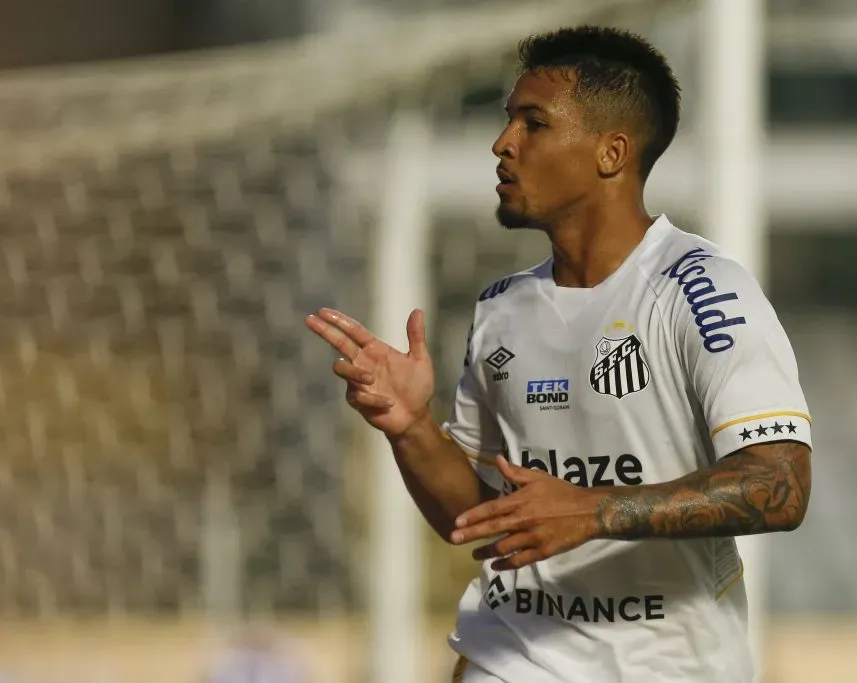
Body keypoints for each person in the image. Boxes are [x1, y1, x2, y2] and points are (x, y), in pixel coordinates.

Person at [306, 25, 813, 683]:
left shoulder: (702, 291)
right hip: (515, 656)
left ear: (611, 153)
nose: (503, 143)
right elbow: (484, 524)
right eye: (508, 120)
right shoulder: (500, 312)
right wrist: (411, 427)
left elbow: (782, 484)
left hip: (670, 668)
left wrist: (592, 508)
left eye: (533, 123)